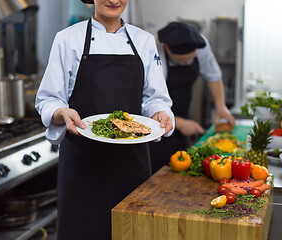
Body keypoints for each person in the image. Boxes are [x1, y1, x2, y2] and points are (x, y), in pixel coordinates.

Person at [35, 0, 175, 239]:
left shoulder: (144, 40)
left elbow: (155, 98)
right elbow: (48, 100)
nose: (114, 0)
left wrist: (159, 113)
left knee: (130, 232)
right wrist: (62, 113)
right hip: (83, 166)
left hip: (131, 166)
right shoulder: (67, 39)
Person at [149, 22, 235, 174]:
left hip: (183, 110)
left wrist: (221, 107)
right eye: (183, 61)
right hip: (156, 121)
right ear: (167, 48)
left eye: (191, 59)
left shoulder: (200, 44)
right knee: (159, 169)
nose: (188, 63)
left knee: (181, 164)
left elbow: (213, 75)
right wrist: (179, 123)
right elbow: (151, 98)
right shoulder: (154, 50)